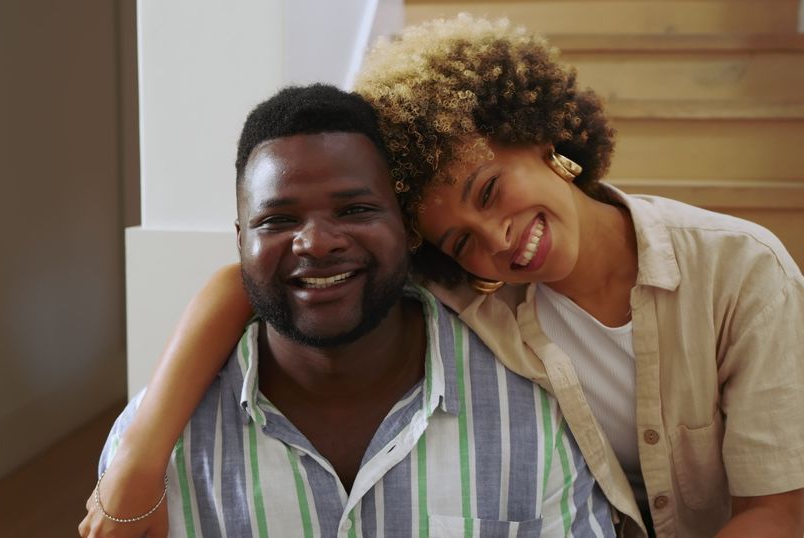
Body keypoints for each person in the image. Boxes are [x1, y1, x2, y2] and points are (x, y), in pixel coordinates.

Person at [82, 17, 804, 538]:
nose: (500, 239)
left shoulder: (738, 267)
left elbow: (772, 509)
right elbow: (253, 287)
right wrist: (142, 456)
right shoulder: (477, 293)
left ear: (538, 136)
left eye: (492, 190)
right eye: (459, 236)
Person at [81, 84, 615, 537]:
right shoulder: (157, 451)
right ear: (240, 240)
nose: (315, 243)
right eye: (278, 219)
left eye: (355, 209)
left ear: (407, 230)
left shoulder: (533, 411)